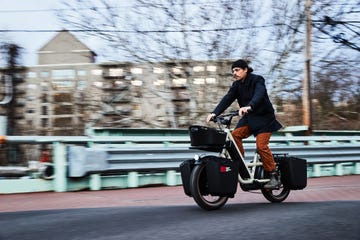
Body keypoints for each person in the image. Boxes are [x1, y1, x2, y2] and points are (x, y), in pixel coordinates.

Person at [206, 59, 282, 189]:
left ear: (245, 69)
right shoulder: (236, 85)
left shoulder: (257, 80)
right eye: (233, 71)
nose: (234, 73)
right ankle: (240, 165)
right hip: (249, 118)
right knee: (234, 137)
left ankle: (274, 175)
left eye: (237, 70)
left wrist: (249, 106)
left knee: (261, 146)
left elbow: (259, 93)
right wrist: (215, 113)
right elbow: (227, 98)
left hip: (264, 118)